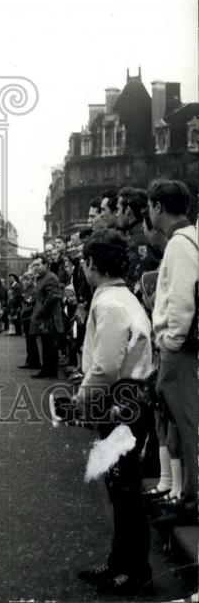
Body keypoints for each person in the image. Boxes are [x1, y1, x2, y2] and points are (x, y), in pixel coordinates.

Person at [74, 229, 154, 596]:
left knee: (123, 488)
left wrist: (80, 400)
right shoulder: (125, 297)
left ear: (91, 264)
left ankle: (133, 571)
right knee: (122, 486)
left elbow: (106, 366)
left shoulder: (107, 303)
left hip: (119, 398)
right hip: (134, 396)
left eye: (84, 262)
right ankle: (122, 563)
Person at [149, 179, 199, 527]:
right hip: (183, 346)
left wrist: (171, 340)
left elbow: (181, 298)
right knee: (184, 424)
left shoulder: (179, 244)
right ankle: (187, 496)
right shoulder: (188, 238)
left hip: (179, 349)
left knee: (187, 423)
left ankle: (193, 500)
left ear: (157, 207)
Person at [28, 257, 63, 378]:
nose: (36, 267)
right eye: (34, 265)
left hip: (49, 317)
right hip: (44, 317)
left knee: (50, 344)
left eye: (38, 264)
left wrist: (41, 312)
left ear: (46, 265)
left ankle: (51, 371)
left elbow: (53, 297)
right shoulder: (41, 278)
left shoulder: (50, 278)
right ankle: (46, 370)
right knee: (45, 343)